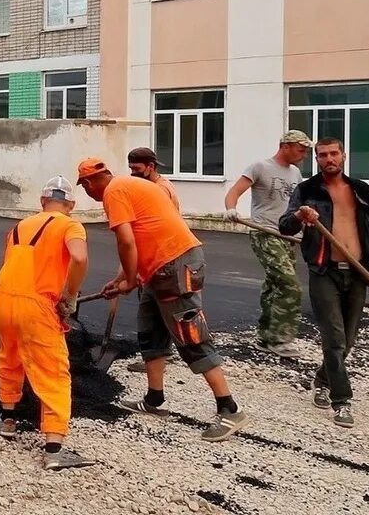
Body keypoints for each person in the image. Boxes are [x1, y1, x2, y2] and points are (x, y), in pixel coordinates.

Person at [75, 157, 250, 442]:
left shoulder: (113, 192)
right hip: (161, 267)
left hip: (174, 265)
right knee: (151, 331)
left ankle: (229, 408)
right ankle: (154, 399)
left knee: (190, 335)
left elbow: (127, 241)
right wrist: (122, 278)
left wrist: (130, 281)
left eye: (85, 187)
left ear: (92, 181)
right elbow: (143, 235)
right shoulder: (130, 185)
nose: (88, 194)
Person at [278, 137, 369, 428]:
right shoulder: (307, 190)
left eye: (333, 154)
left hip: (357, 272)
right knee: (334, 338)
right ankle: (342, 401)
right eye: (322, 155)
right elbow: (285, 225)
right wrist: (299, 215)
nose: (328, 159)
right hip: (323, 271)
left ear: (343, 155)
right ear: (316, 159)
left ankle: (321, 380)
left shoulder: (362, 190)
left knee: (348, 340)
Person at [0, 176, 94, 470]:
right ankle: (54, 448)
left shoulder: (19, 227)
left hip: (1, 299)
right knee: (53, 370)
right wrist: (69, 295)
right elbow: (79, 257)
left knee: (9, 356)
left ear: (42, 201)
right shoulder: (70, 225)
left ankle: (8, 420)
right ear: (70, 204)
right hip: (36, 305)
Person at [223, 130, 314, 357]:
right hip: (265, 233)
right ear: (286, 146)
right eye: (301, 150)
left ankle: (265, 337)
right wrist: (231, 209)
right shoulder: (260, 167)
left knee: (274, 285)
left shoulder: (295, 173)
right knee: (290, 285)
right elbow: (234, 192)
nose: (304, 156)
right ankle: (280, 340)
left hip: (289, 237)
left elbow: (296, 205)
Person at [124, 146, 179, 373]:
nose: (133, 174)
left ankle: (160, 358)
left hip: (163, 257)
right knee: (158, 310)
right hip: (157, 256)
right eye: (130, 169)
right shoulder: (153, 186)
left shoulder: (160, 190)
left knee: (160, 311)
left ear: (151, 167)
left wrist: (136, 269)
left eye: (137, 169)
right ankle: (158, 358)